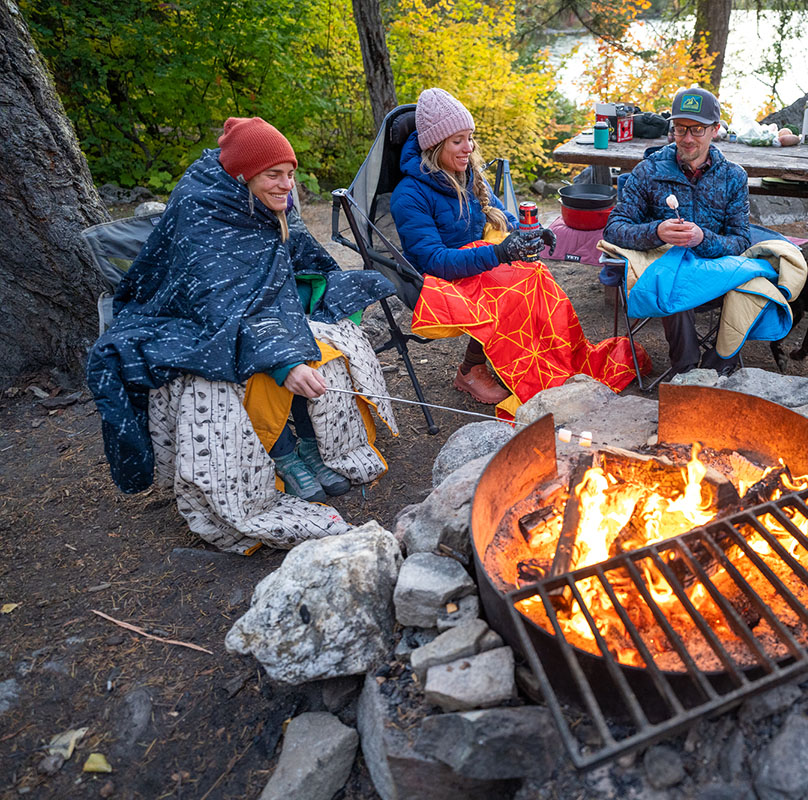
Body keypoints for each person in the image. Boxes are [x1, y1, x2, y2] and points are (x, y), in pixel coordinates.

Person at [88, 117, 398, 552]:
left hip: (257, 310)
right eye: (274, 175)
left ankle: (313, 446)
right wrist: (282, 360)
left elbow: (299, 262)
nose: (286, 185)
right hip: (186, 315)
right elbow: (216, 298)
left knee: (328, 342)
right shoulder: (201, 208)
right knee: (244, 369)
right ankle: (284, 456)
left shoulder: (275, 203)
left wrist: (322, 293)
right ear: (242, 174)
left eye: (290, 173)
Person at [390, 88, 646, 414]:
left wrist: (530, 234)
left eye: (470, 138)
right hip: (435, 281)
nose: (468, 148)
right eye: (457, 141)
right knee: (513, 289)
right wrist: (499, 254)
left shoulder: (465, 175)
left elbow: (504, 218)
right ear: (434, 145)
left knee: (534, 272)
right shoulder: (409, 195)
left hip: (471, 261)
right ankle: (472, 369)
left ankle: (557, 357)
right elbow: (435, 261)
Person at [603, 86, 751, 375]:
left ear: (715, 130)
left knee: (757, 281)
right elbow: (614, 228)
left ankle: (719, 364)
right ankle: (686, 372)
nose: (687, 139)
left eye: (697, 130)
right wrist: (657, 231)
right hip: (668, 274)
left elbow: (741, 240)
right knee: (676, 282)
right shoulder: (649, 170)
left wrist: (702, 238)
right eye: (680, 129)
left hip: (717, 273)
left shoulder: (733, 177)